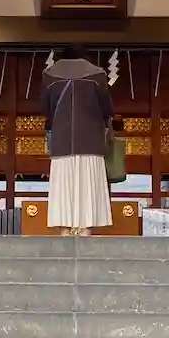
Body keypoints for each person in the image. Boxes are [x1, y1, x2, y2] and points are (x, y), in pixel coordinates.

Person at [42, 47, 114, 236]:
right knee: (88, 186)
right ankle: (86, 230)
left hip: (62, 141)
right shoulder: (97, 75)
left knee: (63, 187)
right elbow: (107, 108)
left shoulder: (49, 76)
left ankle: (65, 231)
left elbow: (46, 109)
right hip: (90, 140)